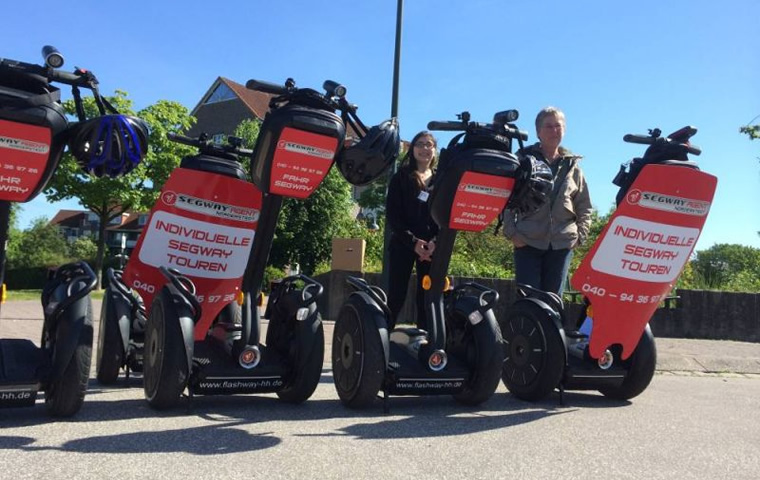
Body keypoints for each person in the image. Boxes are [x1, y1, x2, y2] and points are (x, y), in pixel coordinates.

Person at [503, 107, 592, 296]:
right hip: (527, 241)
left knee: (553, 302)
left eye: (558, 126)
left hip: (562, 244)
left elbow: (584, 205)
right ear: (538, 131)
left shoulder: (573, 165)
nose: (554, 131)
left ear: (564, 129)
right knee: (528, 302)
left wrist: (579, 236)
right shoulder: (523, 160)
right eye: (549, 126)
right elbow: (506, 198)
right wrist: (512, 233)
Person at [385, 131, 439, 331]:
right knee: (396, 295)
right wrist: (413, 242)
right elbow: (393, 216)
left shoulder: (441, 179)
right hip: (403, 244)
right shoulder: (401, 177)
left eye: (429, 145)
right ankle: (385, 339)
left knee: (427, 296)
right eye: (420, 144)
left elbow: (446, 215)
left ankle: (426, 341)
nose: (425, 149)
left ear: (434, 150)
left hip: (432, 247)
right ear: (412, 149)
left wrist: (435, 242)